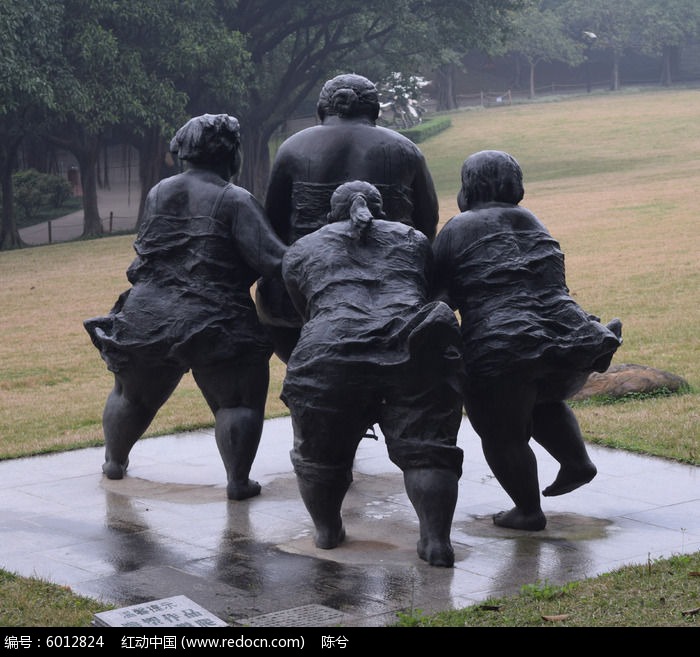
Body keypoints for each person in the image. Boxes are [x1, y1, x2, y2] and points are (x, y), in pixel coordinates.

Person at [84, 114, 286, 501]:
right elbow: (273, 259)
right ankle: (238, 481)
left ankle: (114, 460)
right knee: (238, 400)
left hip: (148, 313)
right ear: (231, 153)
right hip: (217, 319)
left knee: (131, 394)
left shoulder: (159, 192)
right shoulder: (235, 199)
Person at [432, 150, 623, 531]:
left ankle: (528, 511)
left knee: (501, 432)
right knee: (543, 400)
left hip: (502, 346)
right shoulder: (532, 220)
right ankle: (576, 462)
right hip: (567, 339)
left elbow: (439, 298)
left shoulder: (458, 227)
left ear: (470, 185)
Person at [280, 180, 464, 567]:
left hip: (329, 346)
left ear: (332, 214)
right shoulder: (412, 238)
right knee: (428, 451)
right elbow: (424, 288)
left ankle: (328, 533)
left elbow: (305, 311)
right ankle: (436, 542)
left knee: (320, 456)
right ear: (383, 210)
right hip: (410, 342)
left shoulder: (301, 249)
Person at [257, 73, 440, 363]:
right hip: (391, 291)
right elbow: (426, 226)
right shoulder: (406, 150)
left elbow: (273, 227)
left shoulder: (292, 149)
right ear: (376, 112)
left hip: (303, 295)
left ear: (321, 111)